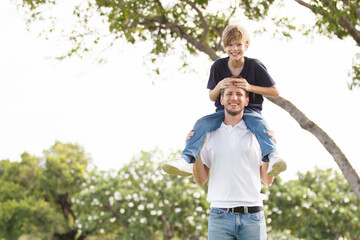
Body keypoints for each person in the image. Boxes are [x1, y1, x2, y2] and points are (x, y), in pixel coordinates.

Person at [162, 25, 286, 177]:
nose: (234, 49)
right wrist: (219, 86)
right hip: (224, 111)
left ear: (246, 46)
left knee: (261, 126)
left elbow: (275, 92)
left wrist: (249, 87)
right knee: (201, 123)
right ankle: (186, 159)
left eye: (239, 44)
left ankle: (273, 157)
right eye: (230, 45)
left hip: (250, 110)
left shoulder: (254, 66)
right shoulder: (218, 66)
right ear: (224, 46)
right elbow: (212, 96)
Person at [193, 84, 274, 239]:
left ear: (247, 100)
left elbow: (267, 180)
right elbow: (201, 179)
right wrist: (196, 152)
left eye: (239, 94)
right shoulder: (209, 134)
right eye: (229, 94)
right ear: (222, 100)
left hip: (253, 216)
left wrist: (268, 153)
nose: (234, 98)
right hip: (219, 216)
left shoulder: (258, 134)